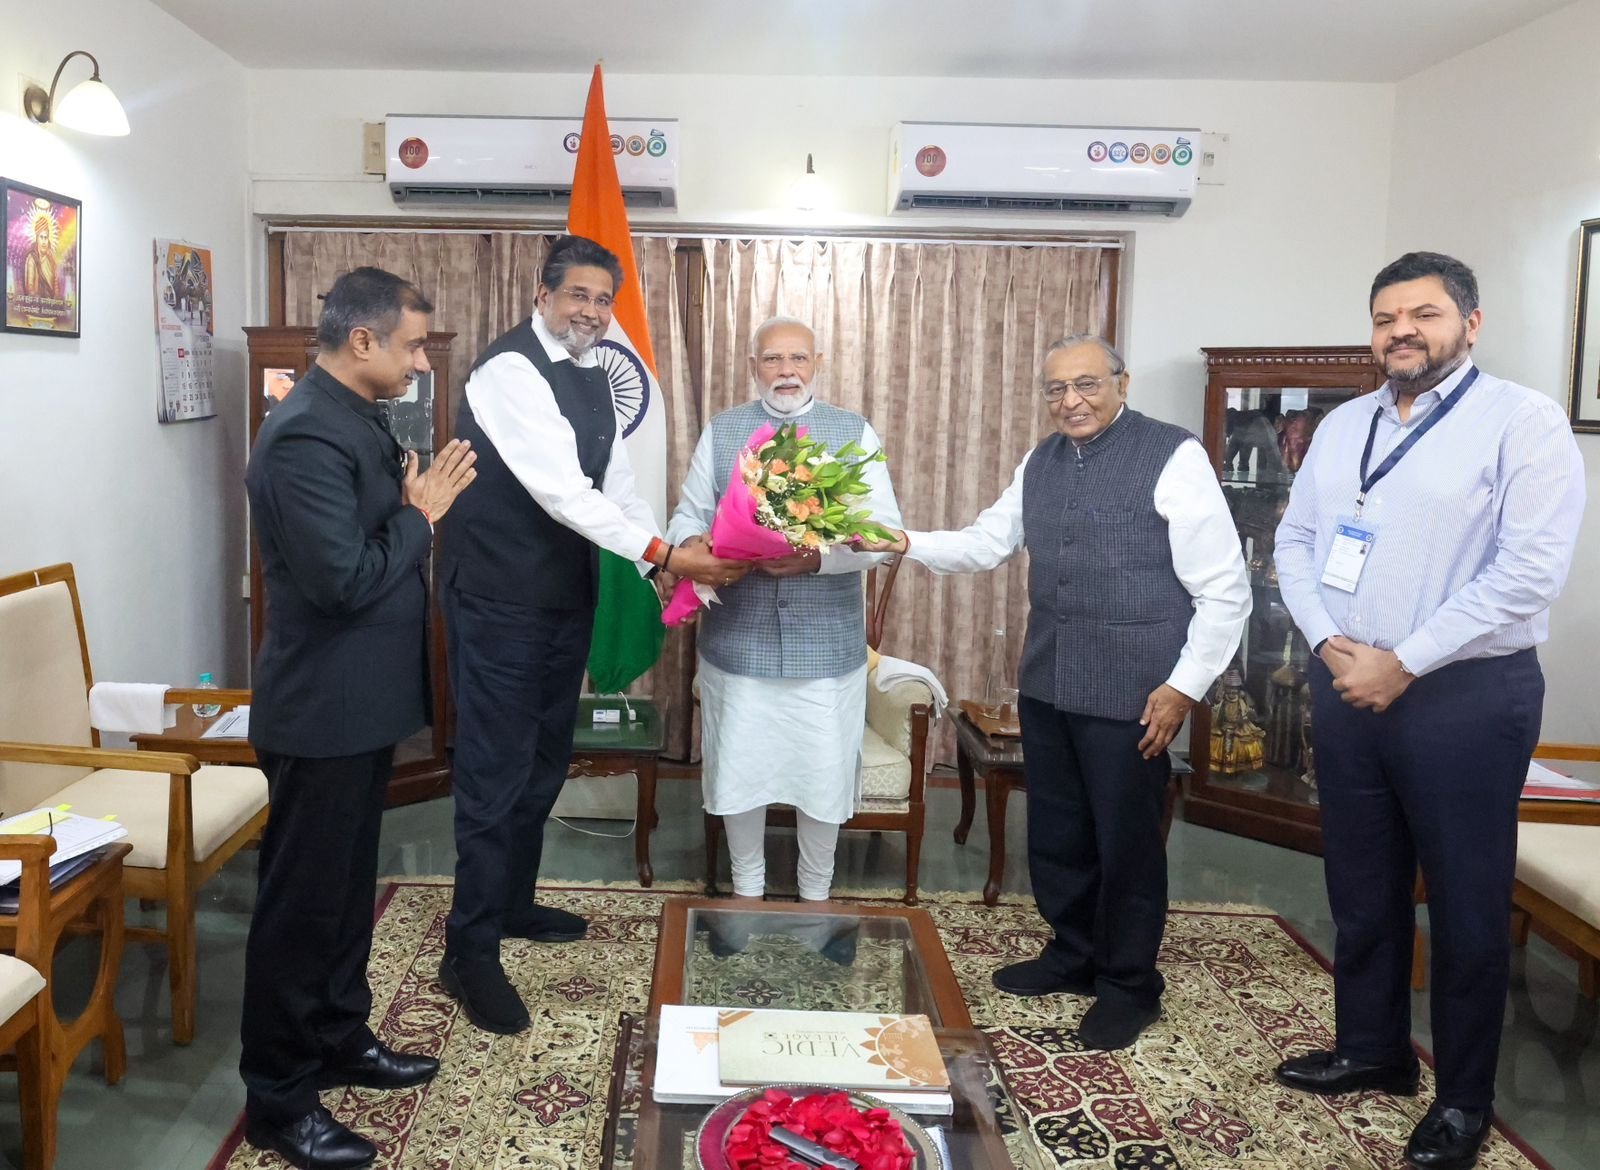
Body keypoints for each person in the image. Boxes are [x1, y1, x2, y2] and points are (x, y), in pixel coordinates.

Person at [1272, 252, 1584, 1170]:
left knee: (1466, 904)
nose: (1401, 330)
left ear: (1471, 323)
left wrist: (1404, 661)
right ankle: (1371, 1051)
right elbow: (1297, 540)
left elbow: (1529, 573)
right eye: (1385, 316)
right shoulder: (1343, 425)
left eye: (1424, 313)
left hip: (1463, 697)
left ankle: (1462, 1099)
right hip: (1347, 682)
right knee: (1362, 888)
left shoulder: (1522, 422)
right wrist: (1334, 644)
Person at [862, 334, 1249, 1051]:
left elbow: (1225, 590)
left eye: (1086, 385)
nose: (1070, 401)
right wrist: (901, 542)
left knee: (1126, 842)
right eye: (1055, 389)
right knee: (1061, 834)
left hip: (1136, 692)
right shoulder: (1040, 460)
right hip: (1050, 683)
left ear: (1121, 383)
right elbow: (986, 542)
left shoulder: (1172, 455)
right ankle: (1073, 955)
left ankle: (1130, 985)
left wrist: (1181, 689)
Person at [437, 235, 747, 1034]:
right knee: (493, 774)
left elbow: (620, 488)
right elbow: (561, 491)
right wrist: (665, 554)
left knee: (543, 763)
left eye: (602, 300)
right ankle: (466, 952)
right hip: (499, 604)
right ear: (542, 296)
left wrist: (662, 566)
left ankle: (510, 906)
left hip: (561, 603)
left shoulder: (595, 377)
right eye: (577, 295)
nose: (591, 311)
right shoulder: (508, 370)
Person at [242, 267, 477, 1170]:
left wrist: (412, 503)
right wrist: (421, 517)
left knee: (344, 896)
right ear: (364, 342)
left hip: (363, 705)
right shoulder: (302, 436)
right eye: (415, 344)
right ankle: (279, 1096)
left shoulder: (354, 417)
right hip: (321, 710)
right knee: (300, 911)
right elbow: (341, 582)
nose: (422, 360)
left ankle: (339, 1038)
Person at [666, 316, 903, 903]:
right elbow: (688, 515)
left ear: (818, 363)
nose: (786, 371)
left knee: (821, 777)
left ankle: (816, 899)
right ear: (754, 367)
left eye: (798, 359)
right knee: (740, 774)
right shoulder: (724, 432)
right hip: (737, 644)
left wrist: (816, 561)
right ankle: (745, 893)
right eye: (773, 360)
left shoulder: (853, 432)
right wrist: (695, 550)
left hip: (826, 649)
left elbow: (883, 534)